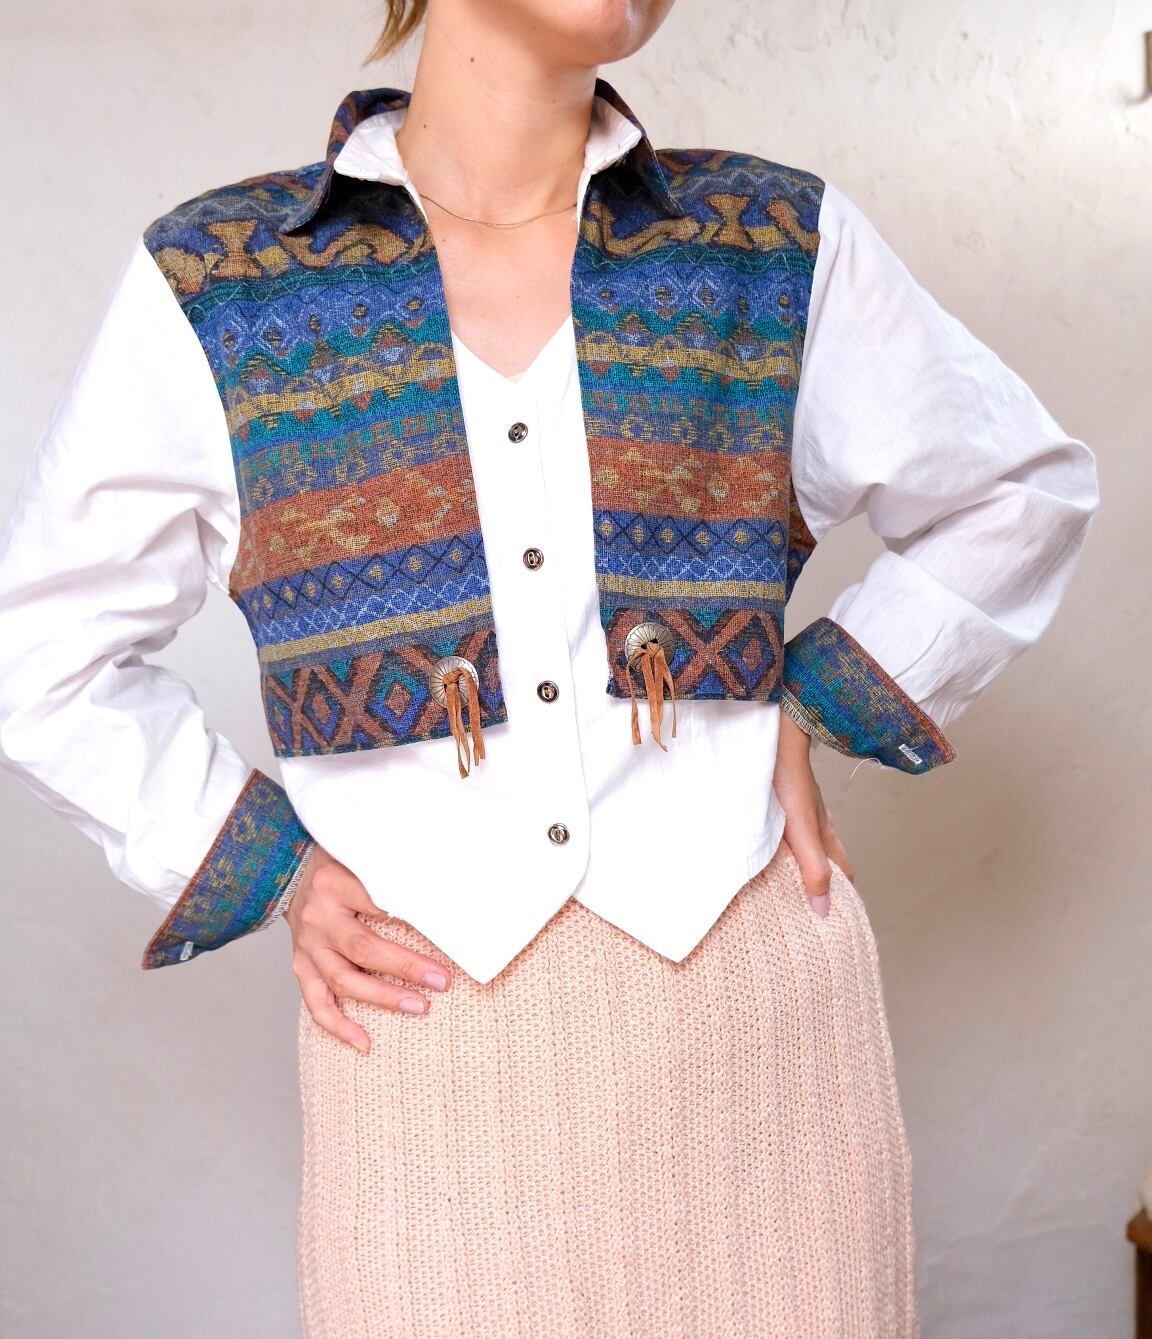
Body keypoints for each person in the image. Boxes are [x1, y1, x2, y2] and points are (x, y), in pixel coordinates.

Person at [0, 1, 1100, 1335]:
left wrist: (820, 700)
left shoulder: (769, 245)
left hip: (760, 1037)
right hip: (426, 1059)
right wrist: (264, 863)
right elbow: (39, 650)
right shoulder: (224, 287)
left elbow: (1018, 490)